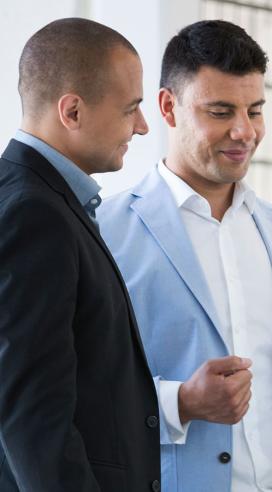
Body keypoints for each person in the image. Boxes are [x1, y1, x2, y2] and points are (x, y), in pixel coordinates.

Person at [98, 20, 272, 492]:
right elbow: (76, 392)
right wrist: (181, 402)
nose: (244, 131)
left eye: (255, 111)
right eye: (220, 111)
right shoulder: (104, 233)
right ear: (168, 108)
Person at [0, 18, 160, 491]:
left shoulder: (37, 198)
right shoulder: (33, 214)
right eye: (131, 108)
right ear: (71, 111)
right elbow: (33, 416)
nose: (143, 126)